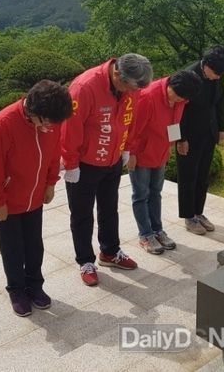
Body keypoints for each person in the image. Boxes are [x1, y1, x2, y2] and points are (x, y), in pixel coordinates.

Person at [0, 80, 73, 317]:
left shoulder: (49, 121)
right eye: (46, 121)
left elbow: (54, 153)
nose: (50, 127)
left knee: (34, 246)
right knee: (13, 249)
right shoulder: (3, 123)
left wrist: (51, 183)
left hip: (34, 198)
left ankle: (35, 286)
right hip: (8, 202)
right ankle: (17, 290)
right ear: (33, 110)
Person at [61, 53, 153, 286]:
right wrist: (71, 164)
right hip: (84, 164)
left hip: (112, 159)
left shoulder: (131, 86)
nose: (131, 93)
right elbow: (69, 128)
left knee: (109, 209)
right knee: (82, 215)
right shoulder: (84, 87)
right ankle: (85, 261)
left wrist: (127, 148)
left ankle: (110, 252)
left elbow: (129, 119)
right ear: (117, 73)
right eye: (129, 87)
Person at [127, 70, 202, 254]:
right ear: (170, 85)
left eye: (183, 99)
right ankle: (145, 234)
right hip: (142, 154)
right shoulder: (148, 96)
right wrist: (132, 154)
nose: (179, 101)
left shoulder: (181, 99)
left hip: (160, 152)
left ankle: (157, 230)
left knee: (156, 193)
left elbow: (175, 123)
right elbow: (134, 128)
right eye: (177, 96)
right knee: (141, 194)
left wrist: (174, 143)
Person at [176, 45, 224, 234]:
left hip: (209, 131)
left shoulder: (218, 73)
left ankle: (198, 212)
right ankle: (188, 216)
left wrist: (221, 128)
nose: (219, 77)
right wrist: (181, 138)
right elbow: (178, 111)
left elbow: (220, 101)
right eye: (217, 73)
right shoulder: (188, 76)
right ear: (206, 64)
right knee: (188, 176)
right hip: (189, 134)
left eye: (221, 74)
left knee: (203, 175)